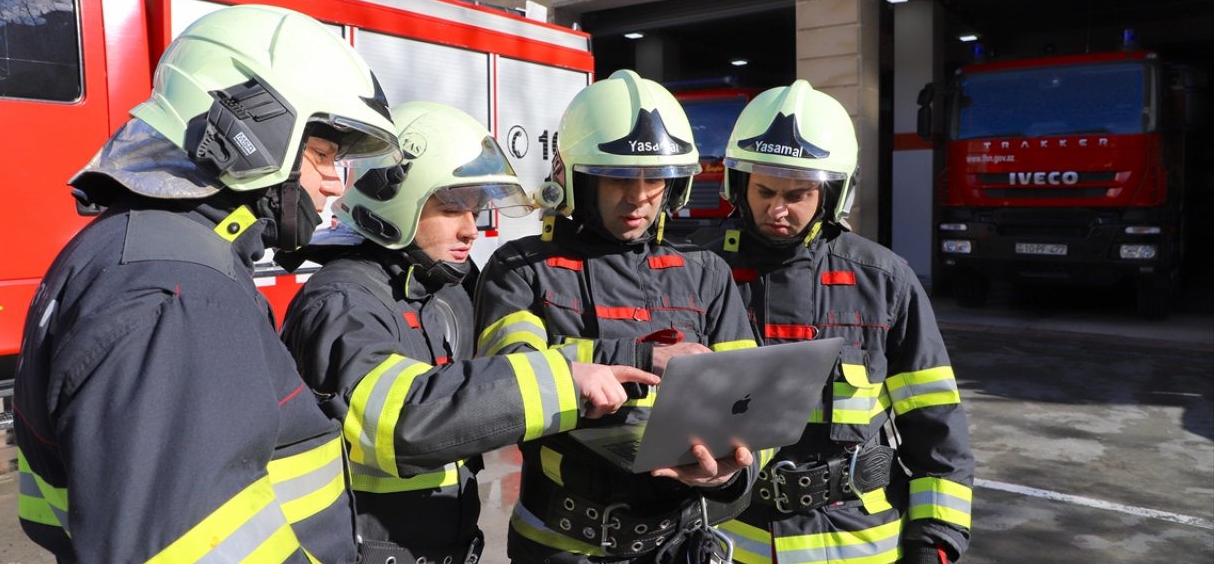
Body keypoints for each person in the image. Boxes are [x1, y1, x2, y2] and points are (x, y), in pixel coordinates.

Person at [12, 5, 401, 563]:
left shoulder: (140, 250)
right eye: (321, 154)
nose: (335, 184)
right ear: (252, 129)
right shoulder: (178, 294)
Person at [278, 101, 660, 564]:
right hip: (366, 550)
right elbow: (399, 421)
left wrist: (636, 358)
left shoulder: (440, 289)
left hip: (438, 546)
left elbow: (512, 360)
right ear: (397, 199)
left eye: (476, 211)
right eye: (452, 208)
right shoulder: (340, 302)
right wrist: (564, 381)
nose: (470, 230)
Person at [473, 69, 769, 562]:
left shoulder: (706, 272)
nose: (639, 198)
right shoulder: (520, 268)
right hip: (560, 546)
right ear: (574, 179)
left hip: (681, 543)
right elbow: (508, 380)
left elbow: (749, 405)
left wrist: (730, 471)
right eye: (616, 179)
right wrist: (639, 357)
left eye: (655, 179)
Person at [696, 80, 973, 564]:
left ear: (831, 192)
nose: (778, 209)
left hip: (862, 545)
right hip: (733, 542)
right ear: (737, 183)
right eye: (764, 190)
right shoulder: (698, 271)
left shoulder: (884, 280)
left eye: (799, 194)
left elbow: (936, 424)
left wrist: (936, 541)